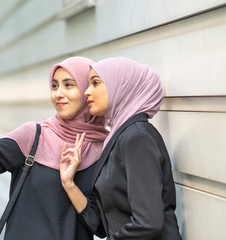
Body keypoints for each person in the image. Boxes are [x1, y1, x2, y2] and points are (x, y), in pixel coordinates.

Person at [0, 56, 109, 239]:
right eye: (54, 86)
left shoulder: (103, 150)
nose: (58, 93)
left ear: (88, 91)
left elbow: (99, 226)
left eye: (69, 85)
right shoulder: (34, 136)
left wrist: (70, 185)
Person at [61, 57, 182, 239]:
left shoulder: (138, 138)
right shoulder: (120, 137)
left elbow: (147, 223)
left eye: (95, 83)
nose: (86, 92)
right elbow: (105, 227)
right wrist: (69, 184)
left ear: (121, 86)